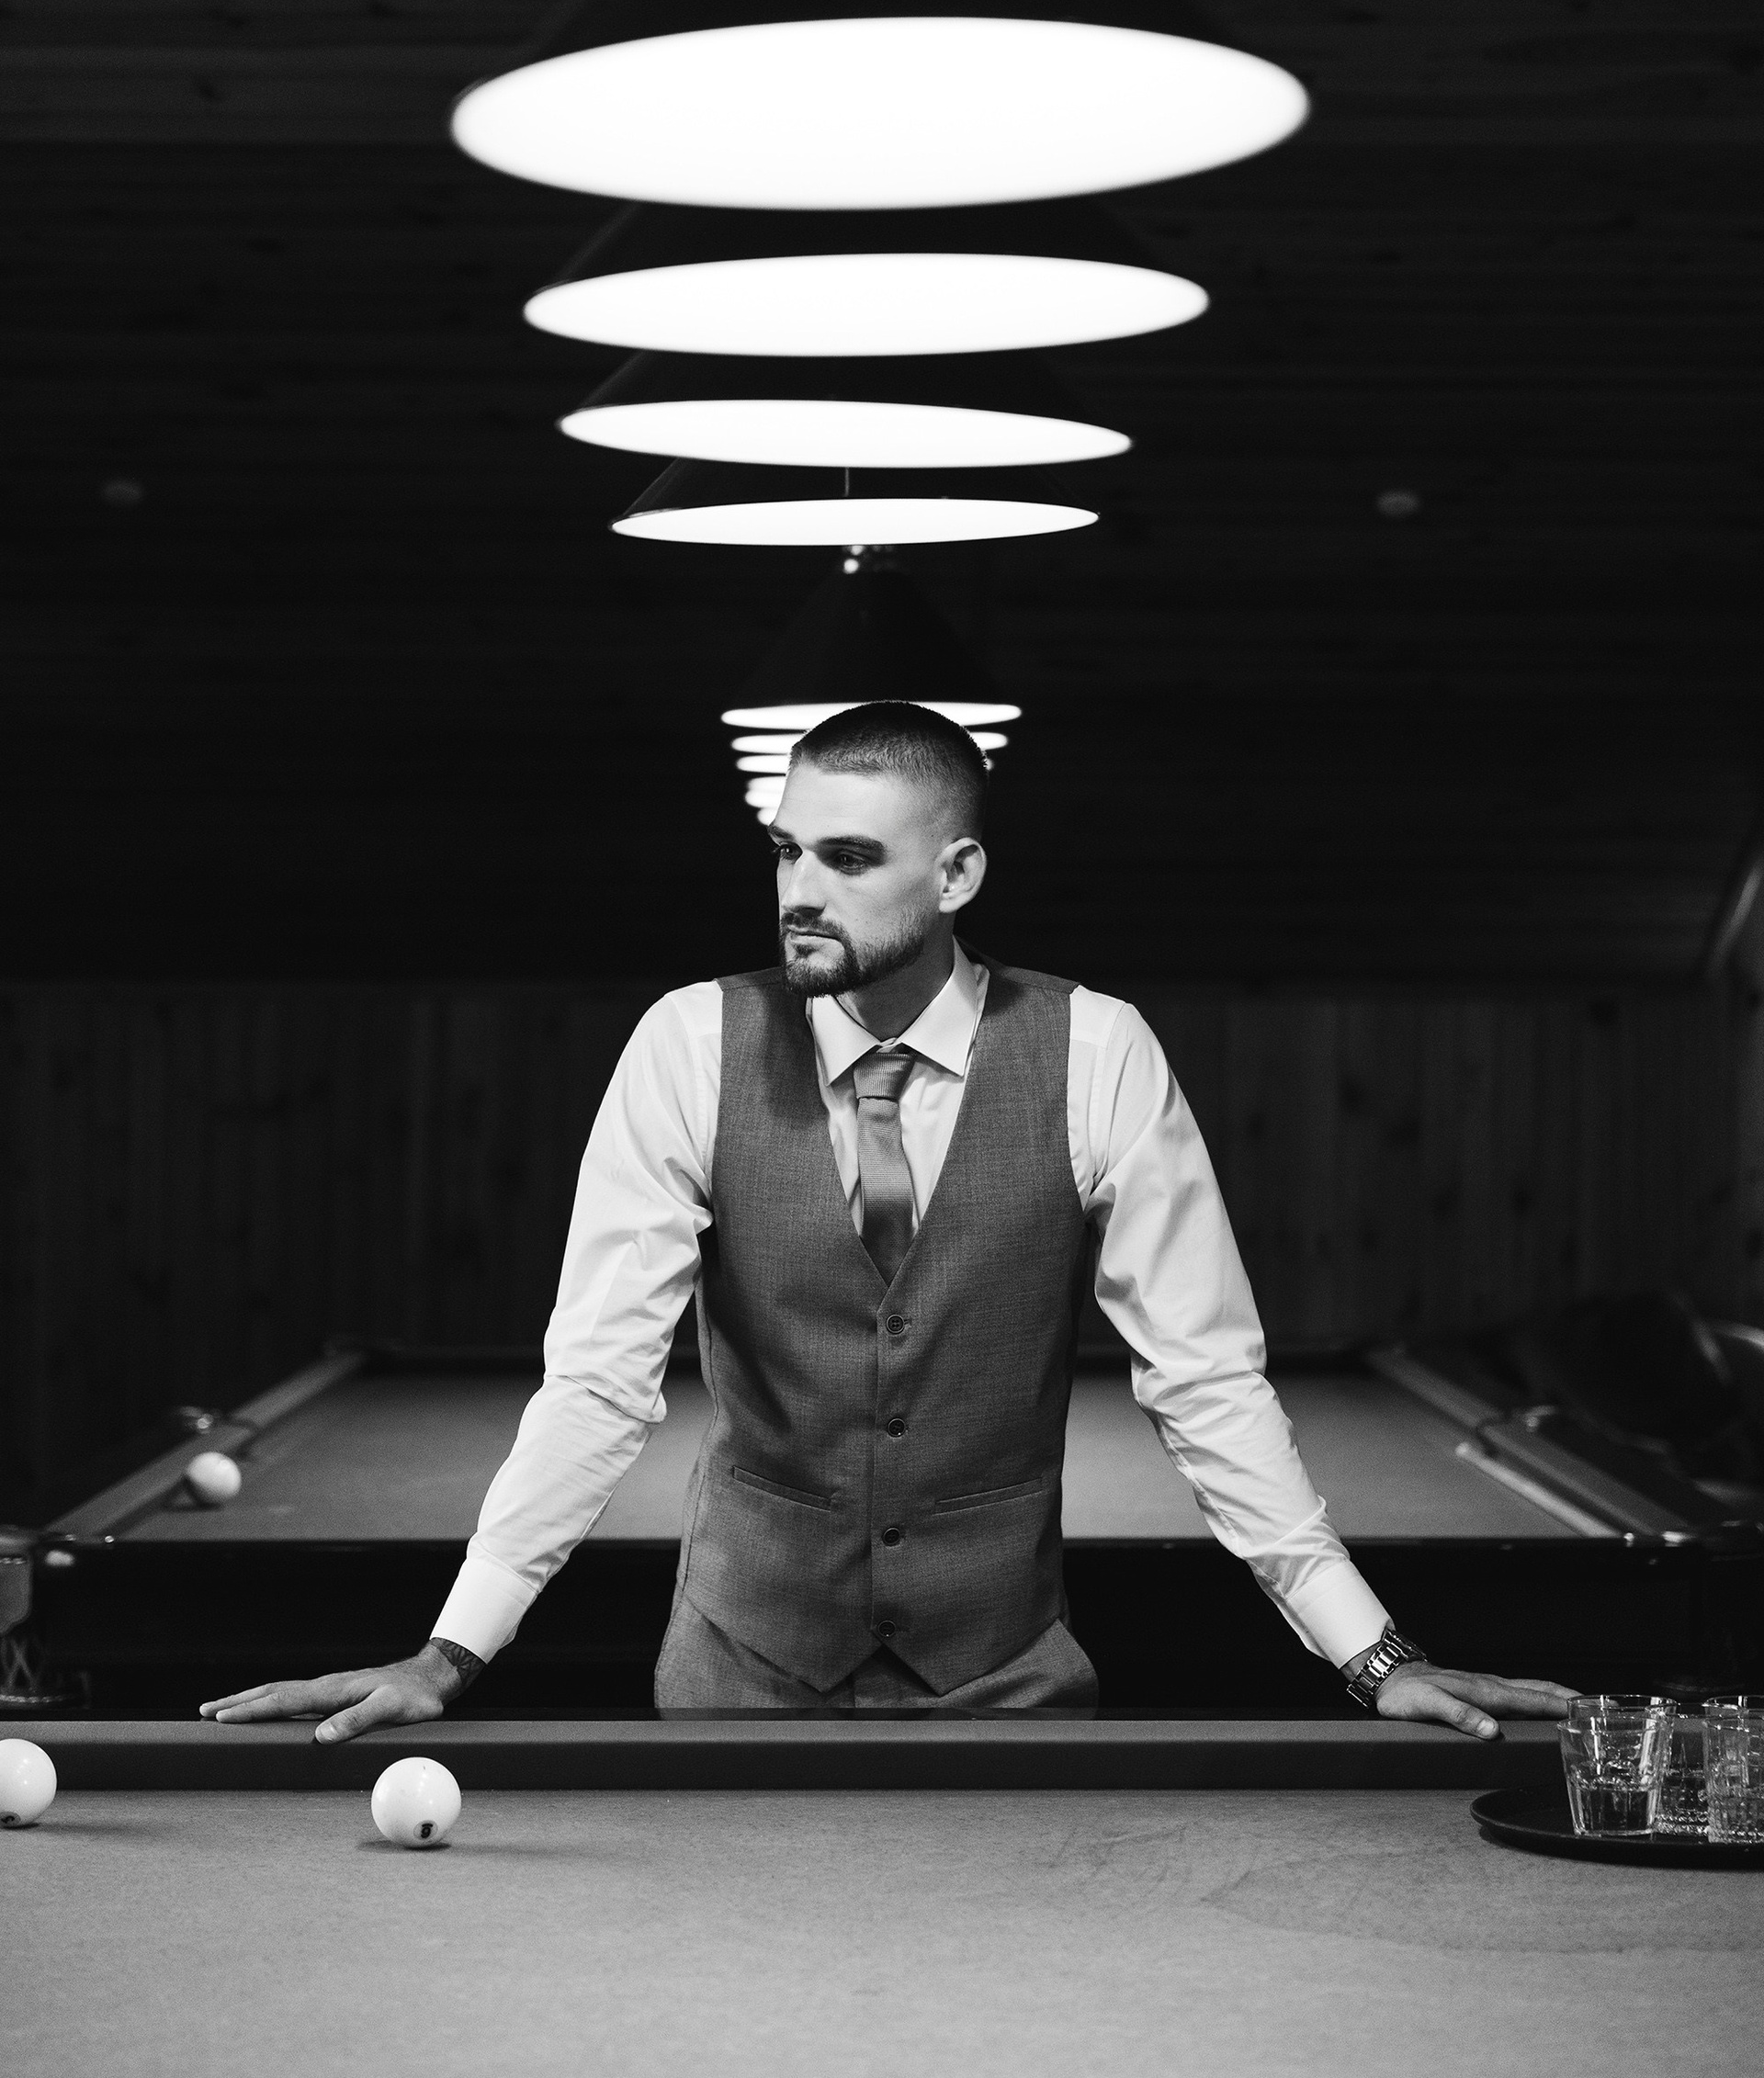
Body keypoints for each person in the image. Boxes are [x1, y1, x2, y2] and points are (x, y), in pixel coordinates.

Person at [202, 702, 1575, 1741]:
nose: (800, 890)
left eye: (850, 858)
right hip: (737, 1672)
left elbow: (1207, 1381)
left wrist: (1373, 1658)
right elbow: (599, 1382)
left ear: (957, 873)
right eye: (786, 850)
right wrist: (451, 1654)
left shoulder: (1099, 1052)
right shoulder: (688, 1044)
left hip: (1006, 1678)